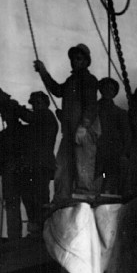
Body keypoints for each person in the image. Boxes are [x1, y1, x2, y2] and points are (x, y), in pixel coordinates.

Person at [34, 44, 100, 199]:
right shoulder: (71, 81)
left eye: (79, 59)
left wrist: (84, 126)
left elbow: (91, 105)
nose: (75, 62)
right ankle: (61, 199)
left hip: (83, 131)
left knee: (83, 165)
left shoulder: (89, 80)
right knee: (62, 165)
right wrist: (43, 72)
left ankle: (84, 198)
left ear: (86, 62)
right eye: (73, 59)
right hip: (70, 132)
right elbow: (57, 90)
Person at [0, 85, 58, 236]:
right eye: (33, 104)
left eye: (37, 103)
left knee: (38, 203)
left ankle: (40, 235)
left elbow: (27, 116)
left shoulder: (44, 117)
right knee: (34, 204)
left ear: (45, 104)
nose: (35, 106)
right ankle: (35, 235)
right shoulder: (27, 128)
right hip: (33, 169)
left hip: (39, 168)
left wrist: (5, 98)